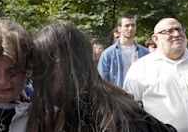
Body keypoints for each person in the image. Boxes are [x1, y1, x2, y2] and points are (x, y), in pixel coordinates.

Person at [29, 20, 176, 132]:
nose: (34, 78)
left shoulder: (118, 118)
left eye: (41, 65)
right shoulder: (66, 111)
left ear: (66, 65)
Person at [124, 18, 188, 132]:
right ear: (155, 39)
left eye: (179, 29)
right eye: (169, 31)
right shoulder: (140, 68)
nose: (176, 34)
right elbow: (129, 108)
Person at [98, 14, 149, 86]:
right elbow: (102, 80)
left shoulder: (145, 53)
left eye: (133, 25)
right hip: (117, 95)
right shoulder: (108, 54)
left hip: (141, 95)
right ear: (119, 29)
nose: (130, 28)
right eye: (127, 25)